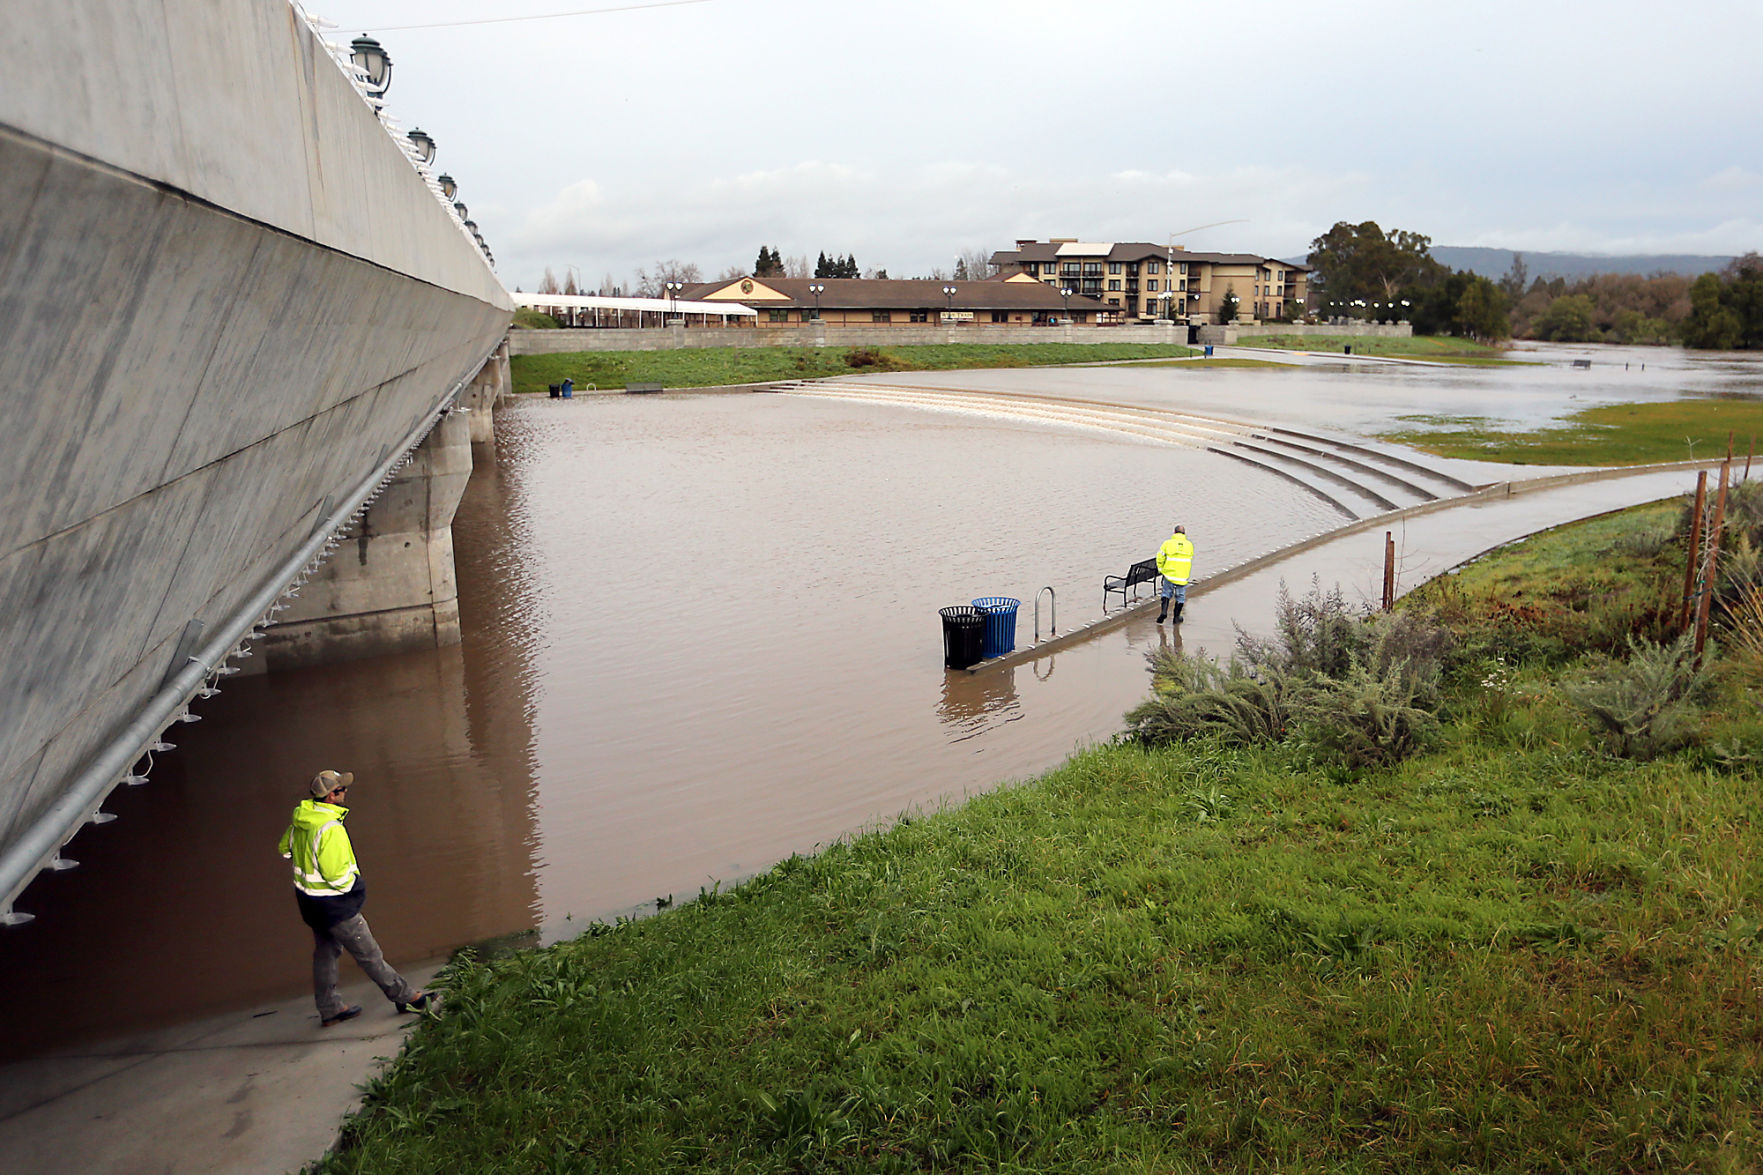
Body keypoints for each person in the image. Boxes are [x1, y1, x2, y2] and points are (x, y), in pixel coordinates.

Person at [278, 769, 431, 1027]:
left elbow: (284, 850)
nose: (346, 792)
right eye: (342, 790)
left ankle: (330, 1009)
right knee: (369, 953)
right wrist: (354, 886)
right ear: (330, 796)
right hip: (335, 905)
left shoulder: (302, 820)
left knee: (326, 953)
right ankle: (406, 997)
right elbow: (337, 876)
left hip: (310, 903)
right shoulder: (330, 828)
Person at [1155, 524, 1194, 624]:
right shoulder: (1189, 545)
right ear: (1184, 533)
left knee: (1166, 593)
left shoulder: (1167, 543)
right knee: (1180, 596)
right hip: (1182, 575)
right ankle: (1176, 617)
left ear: (1174, 533)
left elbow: (1160, 557)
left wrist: (1161, 569)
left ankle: (1164, 612)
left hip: (1169, 574)